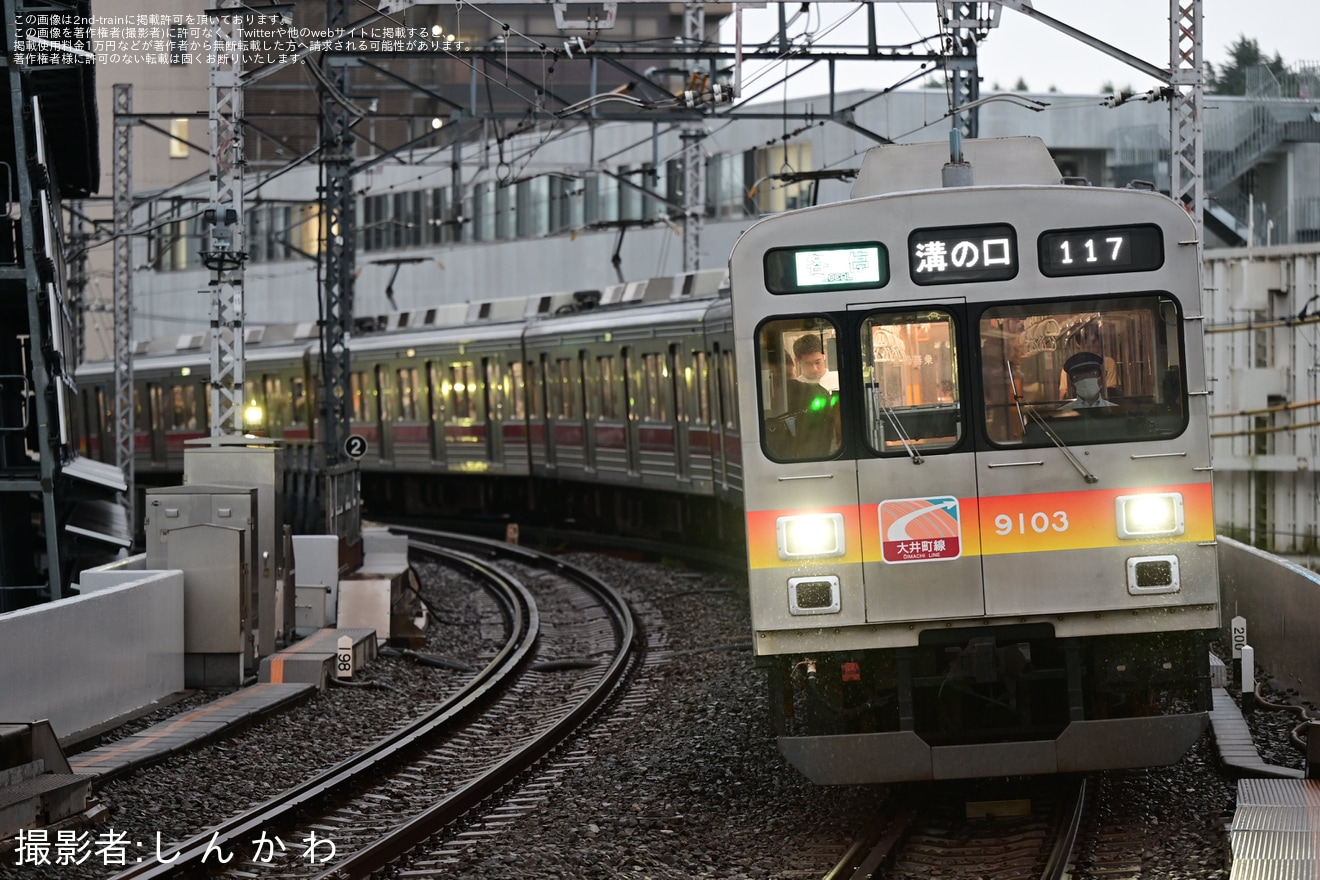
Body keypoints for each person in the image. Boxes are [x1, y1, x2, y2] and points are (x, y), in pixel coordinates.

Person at [783, 334, 838, 457]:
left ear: (824, 356)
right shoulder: (797, 388)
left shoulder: (839, 380)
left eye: (818, 362)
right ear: (797, 361)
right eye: (808, 364)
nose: (814, 368)